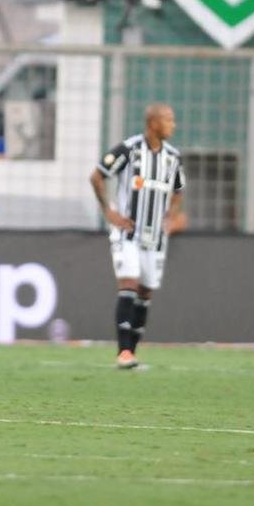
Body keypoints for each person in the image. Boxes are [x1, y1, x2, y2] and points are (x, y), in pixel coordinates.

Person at [90, 103, 185, 370]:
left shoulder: (172, 157)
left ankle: (131, 352)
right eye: (168, 120)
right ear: (153, 123)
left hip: (155, 238)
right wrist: (109, 211)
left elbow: (178, 190)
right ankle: (123, 353)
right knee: (129, 283)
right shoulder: (129, 150)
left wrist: (171, 216)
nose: (173, 125)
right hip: (127, 233)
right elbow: (97, 176)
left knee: (145, 292)